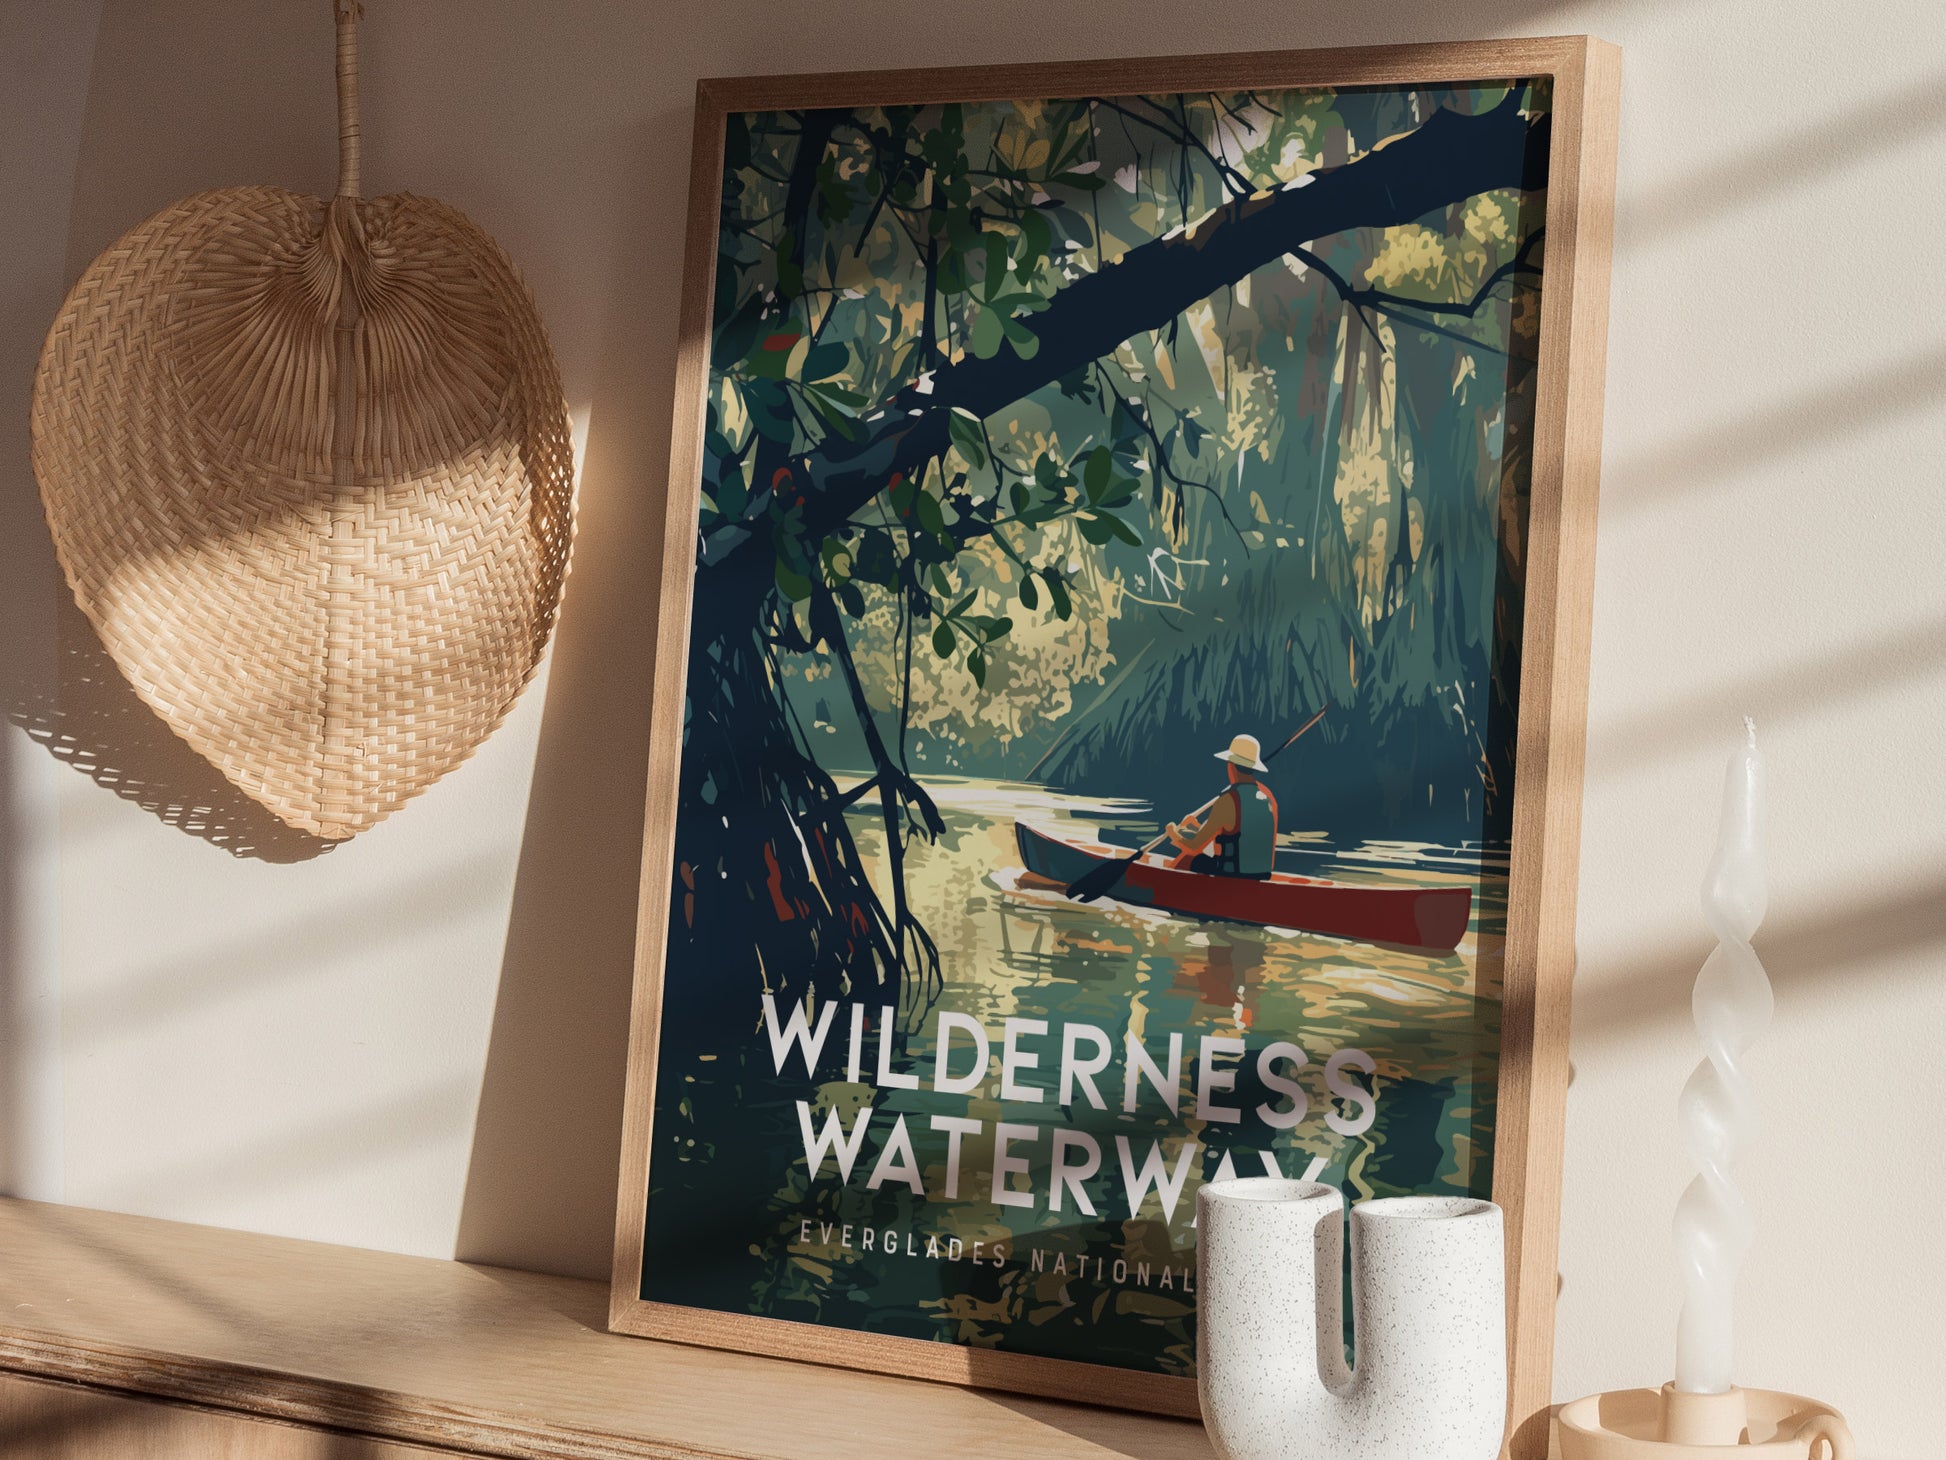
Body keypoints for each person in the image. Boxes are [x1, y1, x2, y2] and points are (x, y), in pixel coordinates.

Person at [1164, 733, 1279, 878]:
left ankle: (1164, 888)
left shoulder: (1229, 799)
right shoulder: (1268, 796)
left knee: (1188, 858)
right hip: (1262, 875)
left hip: (1232, 875)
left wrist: (1172, 831)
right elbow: (1240, 833)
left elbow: (1193, 847)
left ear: (1231, 765)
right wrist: (1195, 827)